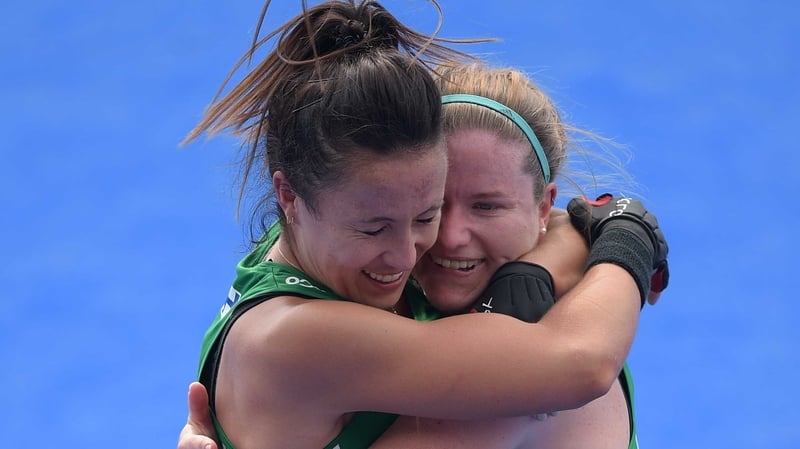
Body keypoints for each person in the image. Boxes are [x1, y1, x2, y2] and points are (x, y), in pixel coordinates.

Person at [178, 1, 669, 449]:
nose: (407, 255)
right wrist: (628, 238)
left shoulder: (318, 241)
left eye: (424, 216)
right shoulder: (300, 339)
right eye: (374, 228)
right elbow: (581, 363)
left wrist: (538, 269)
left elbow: (560, 227)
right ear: (291, 197)